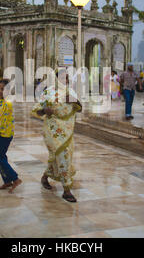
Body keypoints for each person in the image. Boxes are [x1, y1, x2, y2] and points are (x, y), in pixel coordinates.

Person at [32, 69, 82, 203]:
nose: (63, 80)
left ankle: (45, 176)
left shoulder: (70, 92)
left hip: (67, 131)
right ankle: (66, 190)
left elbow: (79, 107)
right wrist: (44, 110)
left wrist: (72, 100)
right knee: (62, 155)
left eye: (65, 78)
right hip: (52, 130)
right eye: (60, 77)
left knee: (61, 156)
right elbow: (36, 109)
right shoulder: (48, 92)